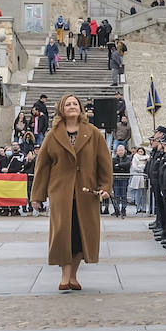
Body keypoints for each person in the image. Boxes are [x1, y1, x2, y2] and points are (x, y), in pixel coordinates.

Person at [31, 94, 114, 291]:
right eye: (67, 104)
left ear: (81, 108)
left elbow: (104, 163)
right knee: (63, 234)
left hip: (86, 192)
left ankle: (73, 276)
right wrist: (37, 196)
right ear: (61, 109)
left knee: (81, 235)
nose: (72, 107)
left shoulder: (93, 133)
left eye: (75, 104)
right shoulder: (53, 135)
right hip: (61, 192)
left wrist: (105, 187)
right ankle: (64, 276)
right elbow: (42, 167)